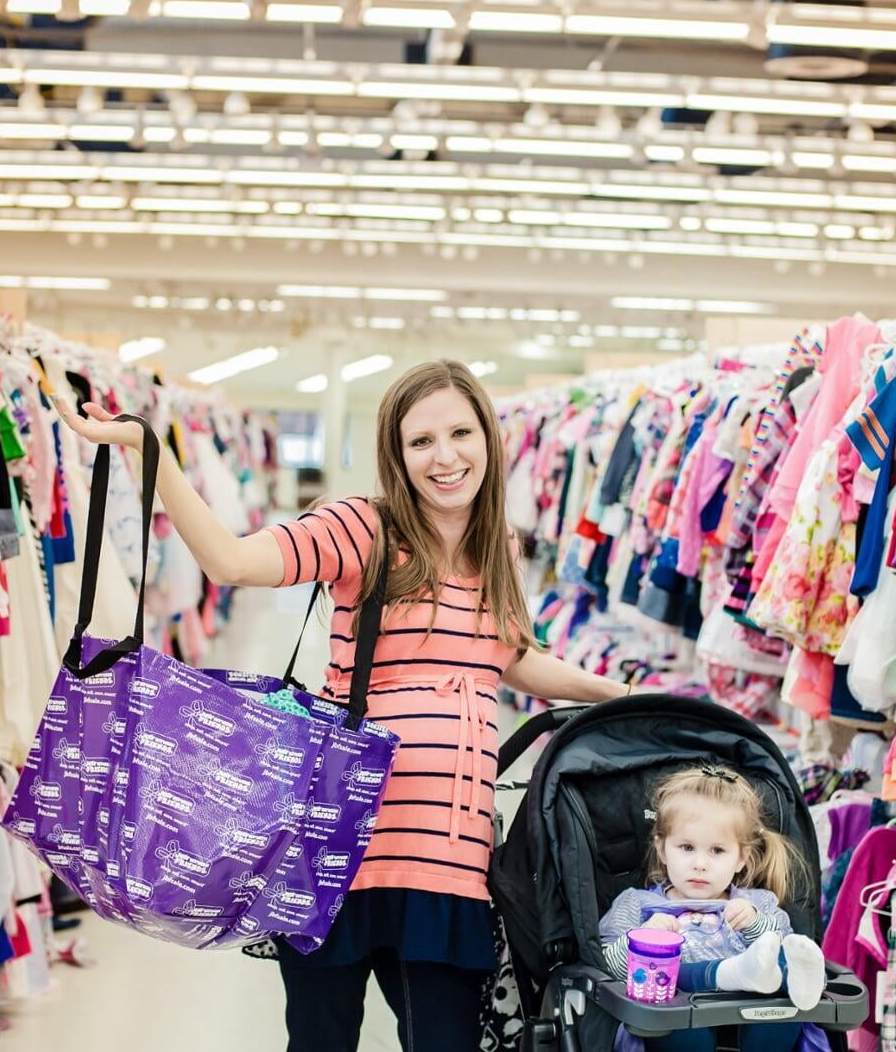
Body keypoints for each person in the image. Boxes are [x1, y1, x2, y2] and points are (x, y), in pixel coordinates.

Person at [53, 358, 630, 1052]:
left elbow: (507, 653)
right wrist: (152, 453)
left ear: (489, 439)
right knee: (321, 1040)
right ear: (396, 451)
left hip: (449, 857)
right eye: (421, 441)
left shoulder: (493, 550)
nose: (445, 457)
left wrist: (618, 694)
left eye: (460, 433)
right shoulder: (364, 526)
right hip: (335, 846)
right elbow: (233, 564)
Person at [597, 767, 827, 1052]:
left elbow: (785, 947)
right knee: (672, 1012)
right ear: (662, 849)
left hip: (754, 1025)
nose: (700, 863)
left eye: (717, 851)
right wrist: (644, 938)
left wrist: (754, 924)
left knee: (784, 984)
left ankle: (798, 984)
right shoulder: (636, 904)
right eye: (686, 847)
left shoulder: (758, 903)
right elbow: (606, 970)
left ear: (741, 858)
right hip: (682, 1026)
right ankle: (733, 972)